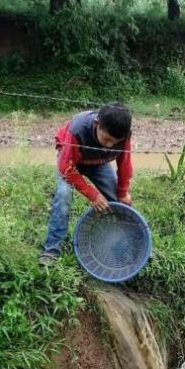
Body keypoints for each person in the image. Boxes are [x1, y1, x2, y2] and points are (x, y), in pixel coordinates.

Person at [39, 102, 133, 265]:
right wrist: (92, 194)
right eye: (106, 139)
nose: (109, 146)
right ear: (97, 124)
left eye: (114, 142)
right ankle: (51, 250)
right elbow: (66, 168)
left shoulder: (124, 135)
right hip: (70, 161)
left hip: (98, 162)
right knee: (63, 196)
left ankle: (127, 244)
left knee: (118, 201)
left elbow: (124, 162)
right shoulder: (77, 130)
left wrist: (123, 191)